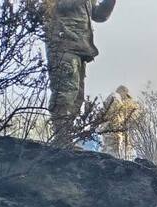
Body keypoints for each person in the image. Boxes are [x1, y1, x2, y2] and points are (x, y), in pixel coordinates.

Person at [42, 0, 117, 144]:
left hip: (80, 47)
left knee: (77, 96)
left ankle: (66, 137)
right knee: (65, 93)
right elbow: (52, 6)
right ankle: (61, 137)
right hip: (62, 44)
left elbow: (99, 15)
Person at [101, 85, 138, 159]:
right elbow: (114, 116)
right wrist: (117, 130)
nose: (126, 98)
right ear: (122, 91)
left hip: (108, 129)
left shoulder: (113, 97)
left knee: (107, 149)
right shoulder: (116, 98)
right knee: (111, 152)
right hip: (112, 130)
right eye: (126, 95)